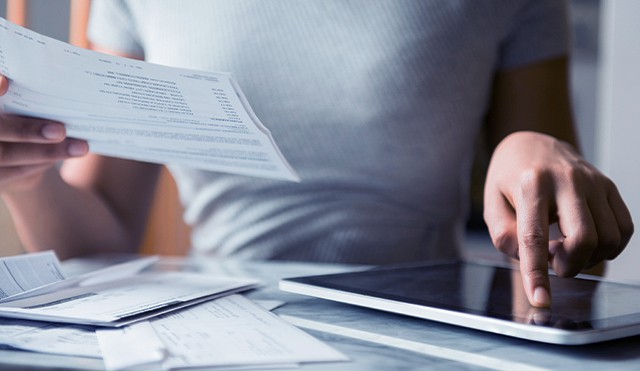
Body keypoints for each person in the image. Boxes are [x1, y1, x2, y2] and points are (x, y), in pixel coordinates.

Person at [0, 0, 633, 308]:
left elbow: (565, 256)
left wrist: (531, 151)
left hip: (424, 331)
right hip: (210, 325)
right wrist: (25, 176)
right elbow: (102, 226)